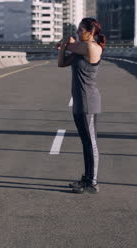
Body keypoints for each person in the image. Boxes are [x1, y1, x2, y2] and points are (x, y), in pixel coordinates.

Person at [56, 18, 106, 194]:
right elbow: (61, 63)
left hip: (88, 102)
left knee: (91, 143)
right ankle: (87, 178)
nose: (78, 33)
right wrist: (64, 45)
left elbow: (71, 45)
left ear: (90, 32)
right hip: (79, 101)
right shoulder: (80, 49)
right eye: (77, 30)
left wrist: (65, 43)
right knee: (85, 142)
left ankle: (92, 183)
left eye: (80, 30)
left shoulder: (91, 47)